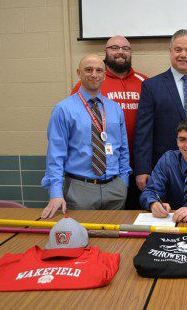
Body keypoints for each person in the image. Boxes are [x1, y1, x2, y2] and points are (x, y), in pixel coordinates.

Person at [41, 54, 131, 219]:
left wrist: (123, 183)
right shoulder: (63, 109)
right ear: (79, 73)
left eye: (99, 70)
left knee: (113, 241)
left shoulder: (115, 109)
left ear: (104, 75)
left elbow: (123, 148)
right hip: (80, 189)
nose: (94, 74)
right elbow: (55, 153)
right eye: (88, 70)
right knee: (82, 240)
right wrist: (55, 192)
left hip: (115, 189)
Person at [134, 29, 187, 192]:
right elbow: (143, 132)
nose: (183, 55)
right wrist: (142, 169)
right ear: (170, 51)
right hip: (164, 168)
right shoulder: (152, 86)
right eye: (178, 50)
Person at [71, 35, 147, 209]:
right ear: (105, 52)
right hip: (106, 172)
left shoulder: (145, 82)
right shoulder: (92, 82)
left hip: (139, 168)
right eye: (114, 47)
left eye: (125, 48)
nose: (120, 52)